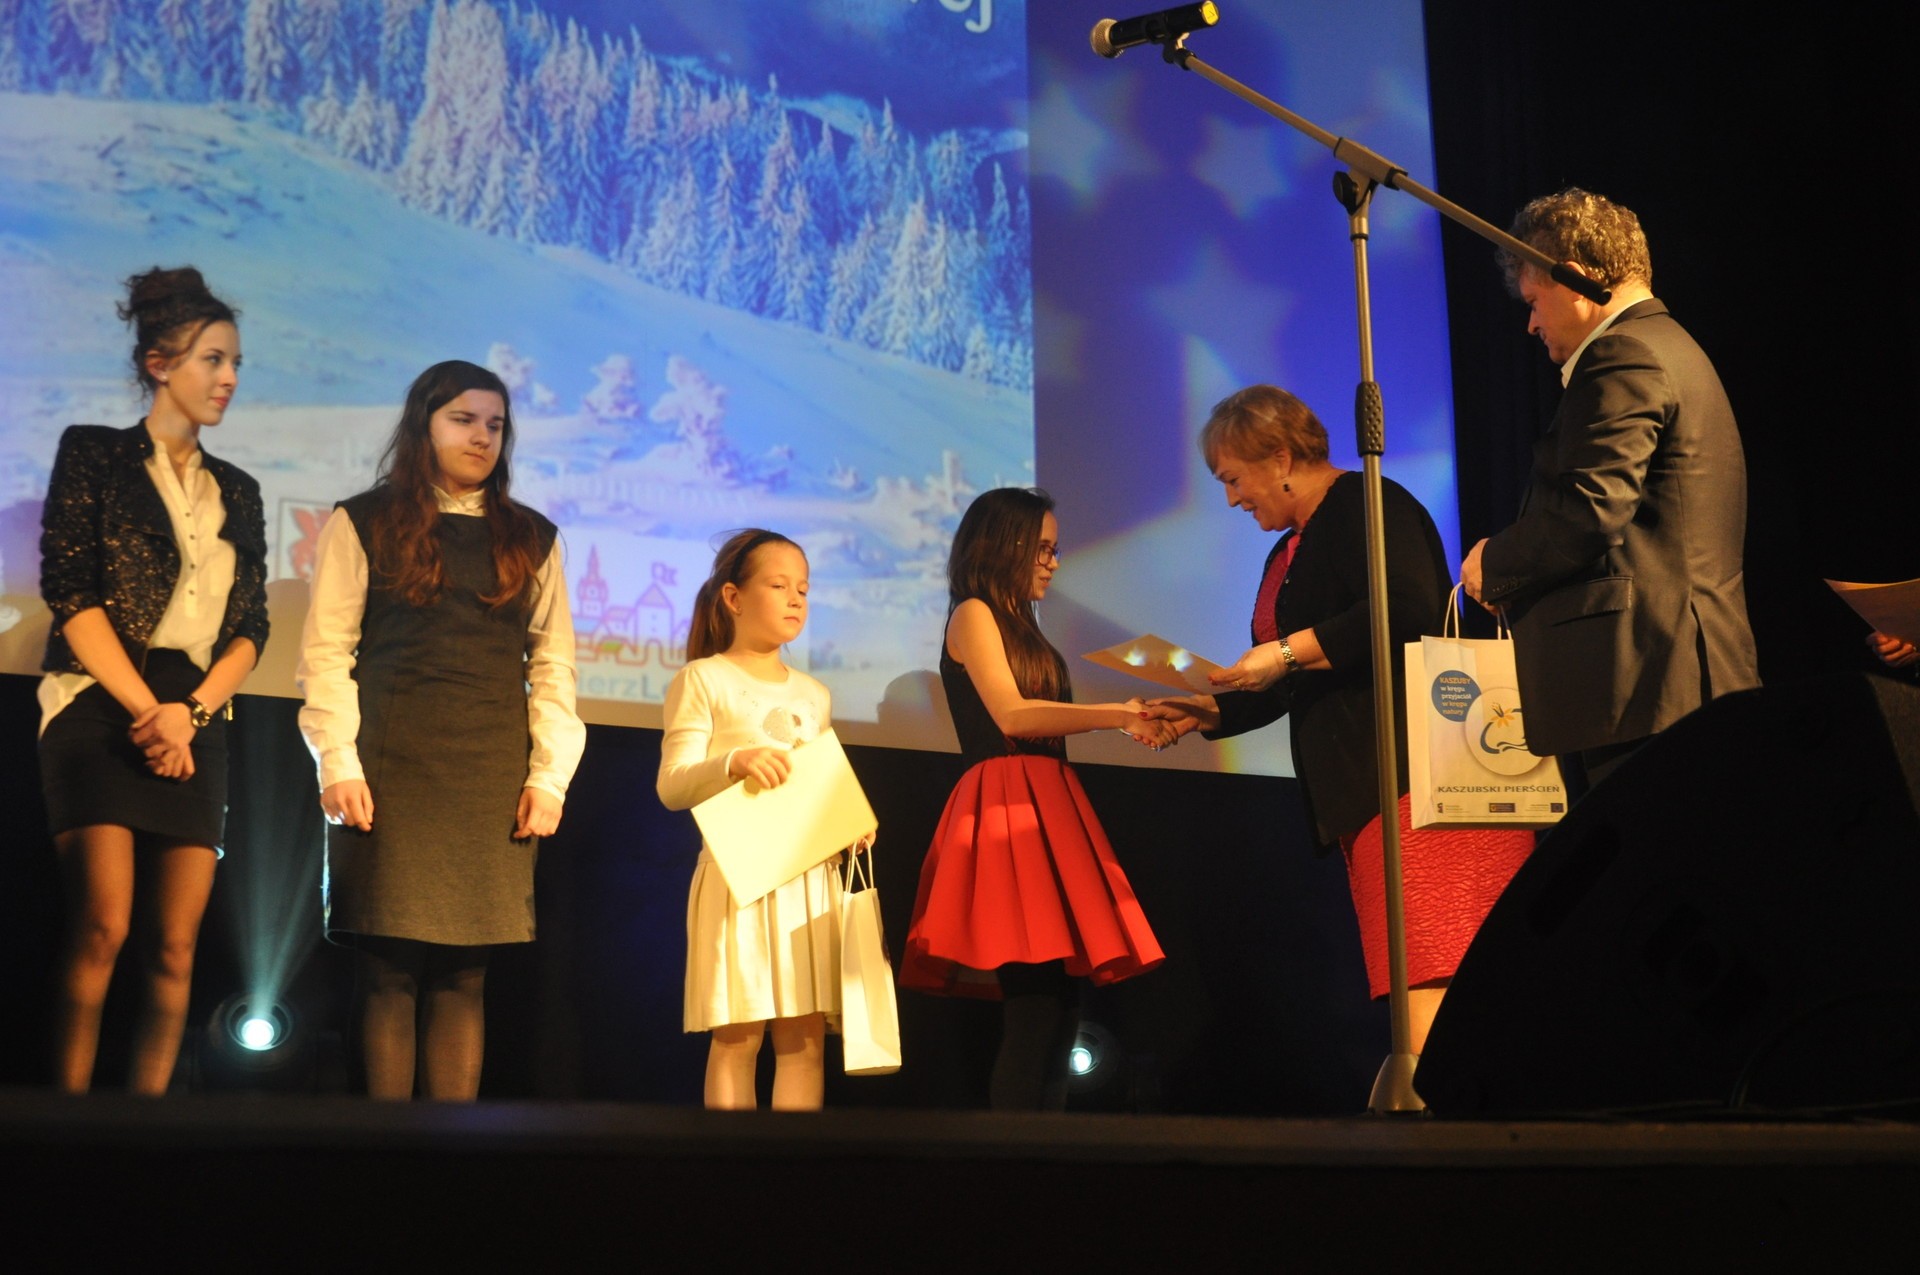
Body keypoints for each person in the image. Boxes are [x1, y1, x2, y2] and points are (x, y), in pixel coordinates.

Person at [1146, 386, 1532, 1055]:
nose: (1232, 500)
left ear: (1281, 458)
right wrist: (1204, 711)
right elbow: (1290, 676)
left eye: (1234, 479)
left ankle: (1444, 1112)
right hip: (1371, 796)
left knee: (1431, 974)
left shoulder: (1366, 503)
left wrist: (1285, 652)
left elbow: (1407, 608)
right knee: (1413, 975)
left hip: (1424, 788)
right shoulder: (1287, 552)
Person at [296, 359, 583, 1101]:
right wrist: (338, 761)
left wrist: (549, 778)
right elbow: (327, 651)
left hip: (488, 771)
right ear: (423, 425)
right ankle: (387, 1148)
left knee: (465, 974)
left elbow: (554, 666)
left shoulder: (532, 538)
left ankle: (451, 1153)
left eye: (495, 425)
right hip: (390, 766)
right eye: (463, 419)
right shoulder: (364, 520)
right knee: (387, 970)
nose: (481, 437)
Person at [38, 266, 267, 1093]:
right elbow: (71, 593)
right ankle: (64, 1125)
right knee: (103, 924)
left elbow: (251, 627)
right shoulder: (94, 453)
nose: (229, 378)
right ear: (159, 364)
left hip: (197, 713)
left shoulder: (238, 489)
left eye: (235, 362)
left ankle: (147, 1129)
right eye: (213, 359)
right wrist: (152, 713)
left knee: (175, 947)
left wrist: (190, 715)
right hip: (99, 700)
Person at [1461, 188, 1760, 793]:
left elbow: (1590, 511)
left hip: (1651, 684)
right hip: (1677, 681)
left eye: (1534, 302)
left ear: (1575, 280)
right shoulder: (1669, 346)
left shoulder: (1624, 353)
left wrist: (1494, 563)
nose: (1530, 324)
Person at [901, 487, 1175, 1110]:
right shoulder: (973, 613)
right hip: (1008, 806)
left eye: (1055, 549)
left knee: (1059, 1010)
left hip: (1046, 800)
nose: (1053, 562)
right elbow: (1013, 715)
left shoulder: (1022, 623)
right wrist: (1117, 715)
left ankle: (1047, 1147)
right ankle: (1016, 1155)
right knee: (1033, 1007)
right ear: (1005, 545)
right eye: (1042, 549)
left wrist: (1132, 717)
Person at [656, 529, 865, 1111]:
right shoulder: (704, 678)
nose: (796, 598)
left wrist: (850, 823)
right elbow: (672, 785)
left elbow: (821, 787)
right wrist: (734, 761)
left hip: (808, 880)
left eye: (804, 588)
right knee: (738, 1036)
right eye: (778, 585)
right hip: (739, 879)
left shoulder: (815, 694)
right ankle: (730, 1160)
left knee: (804, 1041)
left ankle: (793, 1161)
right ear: (733, 597)